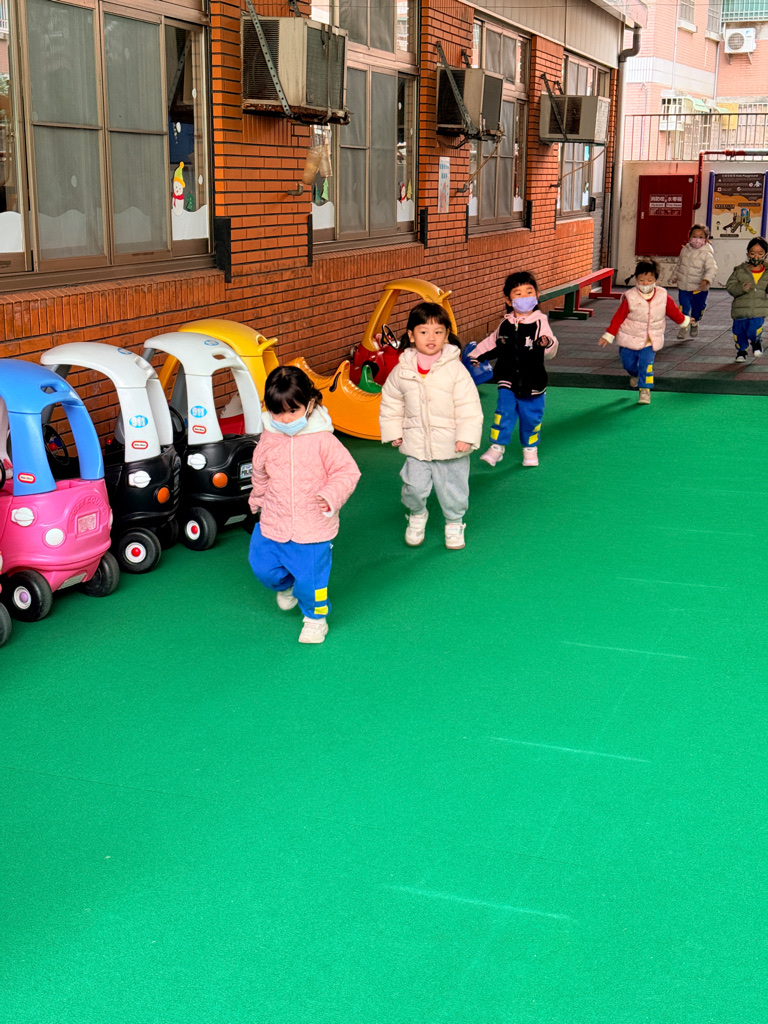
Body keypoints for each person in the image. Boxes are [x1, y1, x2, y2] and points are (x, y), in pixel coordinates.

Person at [247, 366, 360, 644]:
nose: (285, 419)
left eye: (292, 411)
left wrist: (331, 494)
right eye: (277, 412)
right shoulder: (269, 436)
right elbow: (259, 471)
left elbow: (347, 472)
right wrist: (257, 497)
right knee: (262, 567)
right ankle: (287, 587)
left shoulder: (323, 440)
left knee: (312, 582)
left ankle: (315, 619)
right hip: (274, 520)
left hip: (312, 528)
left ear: (309, 404)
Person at [379, 301, 483, 550]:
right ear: (411, 335)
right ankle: (417, 514)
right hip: (416, 445)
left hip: (451, 446)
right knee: (413, 488)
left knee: (453, 489)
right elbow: (391, 402)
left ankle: (454, 521)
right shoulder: (402, 370)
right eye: (424, 331)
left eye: (438, 332)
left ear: (446, 336)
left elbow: (469, 405)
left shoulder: (455, 370)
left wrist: (466, 436)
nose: (431, 338)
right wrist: (394, 432)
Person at [471, 271, 558, 468]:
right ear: (509, 300)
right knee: (503, 413)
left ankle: (530, 449)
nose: (524, 297)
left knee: (531, 417)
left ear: (536, 296)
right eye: (518, 294)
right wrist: (475, 355)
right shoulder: (505, 324)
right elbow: (491, 343)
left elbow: (551, 349)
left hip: (533, 382)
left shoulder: (540, 322)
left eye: (529, 292)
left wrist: (547, 344)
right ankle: (497, 447)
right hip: (507, 379)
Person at [599, 258, 689, 405]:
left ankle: (645, 390)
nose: (645, 283)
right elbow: (619, 317)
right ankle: (635, 375)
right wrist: (609, 334)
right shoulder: (630, 297)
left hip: (650, 340)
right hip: (629, 337)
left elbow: (673, 311)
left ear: (656, 279)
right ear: (636, 279)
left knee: (646, 365)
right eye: (641, 280)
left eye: (649, 280)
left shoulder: (662, 295)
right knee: (628, 364)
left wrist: (684, 321)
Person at [726, 236, 768, 362]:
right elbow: (730, 287)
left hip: (758, 309)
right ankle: (741, 351)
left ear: (765, 255)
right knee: (739, 333)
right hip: (740, 310)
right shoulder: (739, 271)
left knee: (753, 330)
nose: (756, 256)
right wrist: (741, 288)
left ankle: (756, 341)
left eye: (760, 253)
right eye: (752, 253)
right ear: (747, 254)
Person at [672, 224, 717, 339]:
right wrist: (675, 276)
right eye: (694, 236)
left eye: (701, 237)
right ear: (689, 237)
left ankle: (695, 322)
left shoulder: (707, 254)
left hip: (699, 288)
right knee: (684, 307)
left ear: (706, 239)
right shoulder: (684, 250)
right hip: (684, 286)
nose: (697, 239)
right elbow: (679, 265)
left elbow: (712, 269)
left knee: (698, 308)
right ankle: (684, 326)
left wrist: (706, 280)